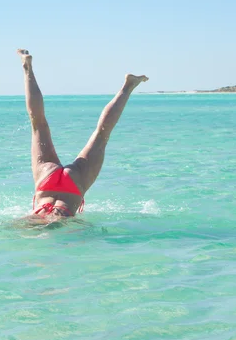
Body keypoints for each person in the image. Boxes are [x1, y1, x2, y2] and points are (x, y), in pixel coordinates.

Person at [18, 49, 148, 220]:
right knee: (38, 124)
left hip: (73, 184)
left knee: (102, 134)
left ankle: (128, 86)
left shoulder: (48, 218)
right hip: (46, 177)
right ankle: (28, 69)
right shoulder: (46, 217)